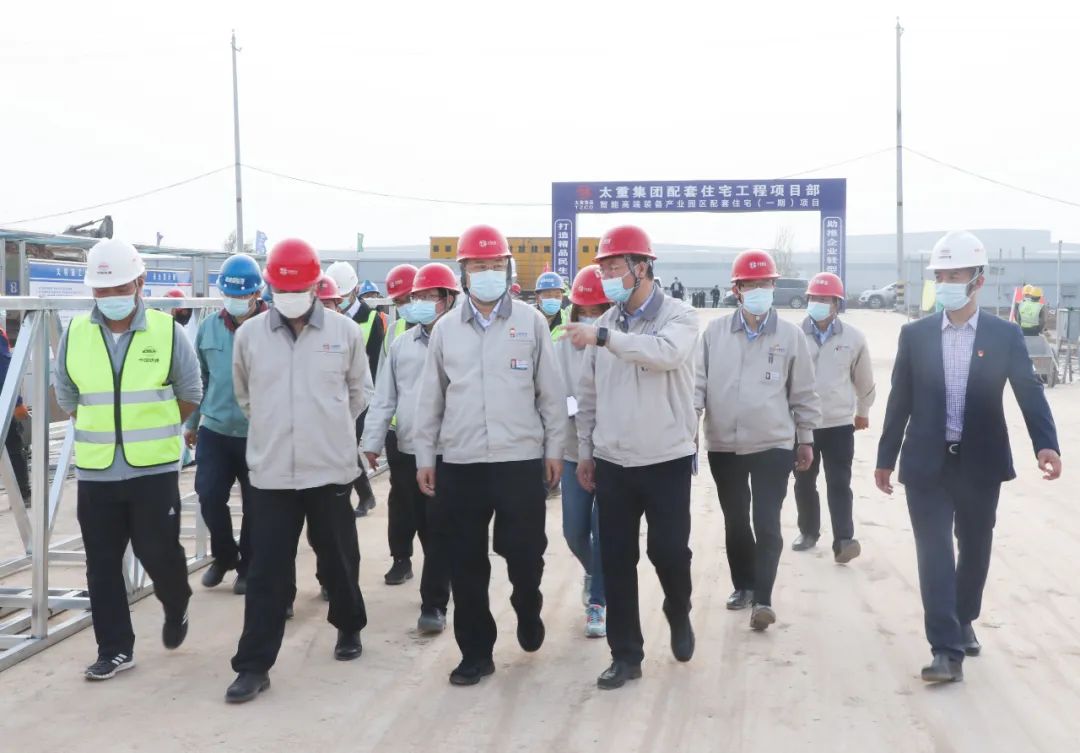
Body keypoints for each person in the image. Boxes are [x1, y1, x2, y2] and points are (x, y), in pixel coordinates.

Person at [875, 230, 1061, 684]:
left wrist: (1045, 443)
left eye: (954, 275)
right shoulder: (915, 335)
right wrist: (885, 456)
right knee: (934, 552)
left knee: (975, 547)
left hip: (979, 462)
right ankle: (945, 650)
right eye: (940, 276)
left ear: (978, 280)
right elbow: (900, 399)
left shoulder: (1004, 335)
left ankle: (963, 618)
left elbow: (1028, 390)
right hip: (926, 462)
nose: (945, 284)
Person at [414, 224, 567, 687]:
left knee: (525, 554)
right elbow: (431, 399)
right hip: (461, 463)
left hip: (519, 460)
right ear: (463, 272)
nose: (487, 273)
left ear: (507, 269)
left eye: (495, 265)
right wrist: (425, 456)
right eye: (478, 265)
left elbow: (550, 394)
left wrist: (554, 449)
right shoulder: (446, 330)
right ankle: (475, 653)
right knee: (465, 563)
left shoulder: (531, 322)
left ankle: (527, 604)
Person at [225, 238, 372, 704]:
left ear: (314, 286)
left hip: (329, 469)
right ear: (270, 287)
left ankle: (348, 626)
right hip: (271, 473)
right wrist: (277, 429)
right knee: (266, 571)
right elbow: (245, 396)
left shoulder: (344, 332)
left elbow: (359, 392)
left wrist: (325, 428)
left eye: (298, 288)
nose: (289, 296)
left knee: (338, 558)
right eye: (281, 288)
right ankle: (253, 665)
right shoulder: (250, 336)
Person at [53, 238, 202, 681]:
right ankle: (115, 649)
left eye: (120, 287)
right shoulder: (76, 334)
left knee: (159, 554)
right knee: (101, 565)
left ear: (139, 282)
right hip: (97, 470)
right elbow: (67, 396)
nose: (111, 297)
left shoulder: (166, 331)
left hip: (152, 470)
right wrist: (106, 433)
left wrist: (152, 429)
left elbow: (190, 392)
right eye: (102, 290)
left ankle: (176, 601)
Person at [567, 225, 698, 690]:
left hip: (666, 459)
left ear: (642, 267)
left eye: (613, 267)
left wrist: (605, 338)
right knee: (617, 558)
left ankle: (678, 609)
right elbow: (587, 395)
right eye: (602, 268)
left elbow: (665, 354)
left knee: (668, 552)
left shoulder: (680, 316)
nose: (605, 276)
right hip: (614, 462)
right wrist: (586, 451)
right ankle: (625, 655)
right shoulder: (604, 324)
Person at [696, 249, 820, 631]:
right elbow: (696, 386)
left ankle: (763, 599)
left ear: (773, 286)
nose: (759, 290)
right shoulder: (715, 333)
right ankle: (744, 586)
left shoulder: (790, 336)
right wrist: (689, 431)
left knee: (767, 522)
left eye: (765, 283)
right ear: (737, 289)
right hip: (725, 445)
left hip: (773, 444)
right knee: (736, 520)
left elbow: (804, 392)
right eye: (750, 284)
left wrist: (805, 439)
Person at [362, 262, 458, 634]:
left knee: (441, 526)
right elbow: (384, 396)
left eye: (431, 296)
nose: (421, 302)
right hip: (408, 447)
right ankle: (429, 573)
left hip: (451, 451)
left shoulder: (463, 341)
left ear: (449, 299)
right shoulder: (401, 344)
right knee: (419, 521)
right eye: (418, 296)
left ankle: (434, 603)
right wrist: (372, 442)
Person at [185, 253, 266, 596]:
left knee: (256, 506)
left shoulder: (272, 329)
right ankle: (225, 555)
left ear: (256, 293)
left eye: (241, 294)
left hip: (258, 432)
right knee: (208, 495)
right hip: (215, 429)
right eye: (229, 294)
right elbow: (199, 378)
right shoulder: (209, 327)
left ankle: (247, 568)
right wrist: (191, 422)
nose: (234, 301)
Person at [792, 272, 875, 562]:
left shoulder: (853, 338)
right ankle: (808, 531)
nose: (818, 303)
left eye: (825, 299)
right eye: (814, 298)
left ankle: (844, 540)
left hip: (839, 424)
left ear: (837, 304)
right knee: (804, 481)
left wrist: (863, 412)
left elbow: (864, 380)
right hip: (802, 424)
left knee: (839, 482)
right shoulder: (793, 335)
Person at [554, 264, 612, 639]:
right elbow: (553, 393)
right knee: (574, 531)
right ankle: (594, 571)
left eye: (598, 311)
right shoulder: (560, 346)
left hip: (611, 453)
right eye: (584, 311)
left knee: (603, 531)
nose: (590, 318)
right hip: (574, 449)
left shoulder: (619, 344)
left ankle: (599, 601)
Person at [375, 263, 422, 586]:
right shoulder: (394, 331)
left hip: (441, 435)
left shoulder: (449, 329)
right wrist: (376, 435)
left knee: (437, 505)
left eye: (409, 297)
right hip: (399, 431)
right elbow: (383, 384)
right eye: (399, 300)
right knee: (402, 499)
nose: (405, 305)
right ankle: (401, 558)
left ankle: (440, 571)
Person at [326, 262, 383, 516]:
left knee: (346, 446)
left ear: (355, 290)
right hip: (333, 393)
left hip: (361, 393)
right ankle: (364, 495)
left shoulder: (371, 318)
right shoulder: (325, 317)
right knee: (345, 447)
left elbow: (376, 361)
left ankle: (348, 500)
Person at [0, 325, 32, 507]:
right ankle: (22, 494)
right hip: (3, 404)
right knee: (13, 448)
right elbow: (4, 371)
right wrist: (17, 403)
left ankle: (22, 494)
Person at [535, 271, 568, 340]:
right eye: (548, 295)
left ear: (562, 297)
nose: (553, 299)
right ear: (537, 298)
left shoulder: (569, 321)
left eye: (557, 296)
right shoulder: (528, 319)